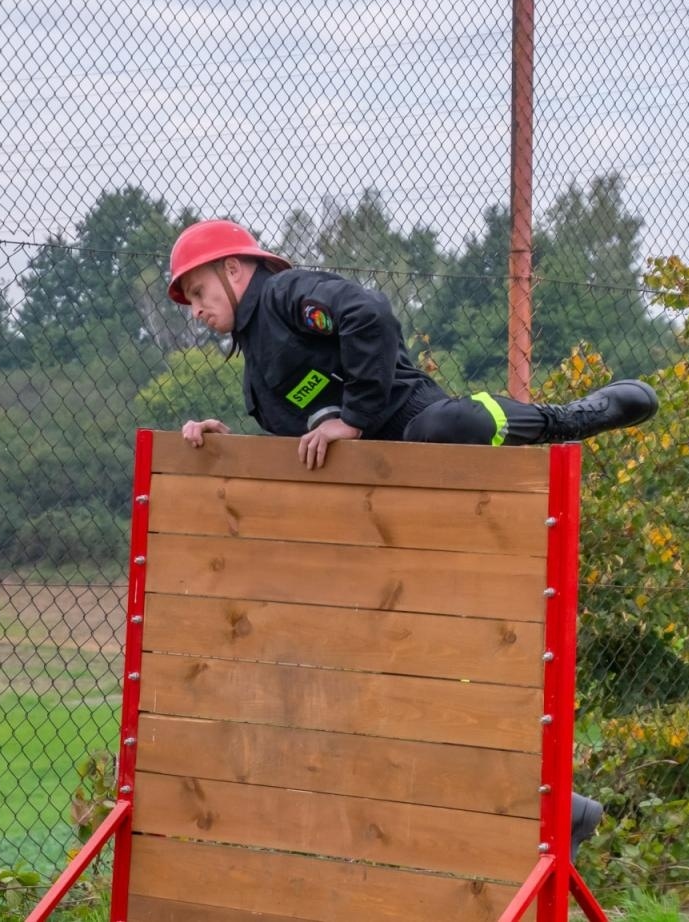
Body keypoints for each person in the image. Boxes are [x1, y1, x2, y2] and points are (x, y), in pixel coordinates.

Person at [167, 218, 654, 859]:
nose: (197, 309)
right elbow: (308, 449)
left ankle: (569, 420)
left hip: (414, 435)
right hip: (375, 523)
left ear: (235, 270)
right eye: (189, 301)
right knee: (401, 678)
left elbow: (368, 314)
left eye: (198, 290)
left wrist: (357, 418)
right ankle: (552, 807)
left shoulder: (288, 297)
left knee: (444, 426)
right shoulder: (257, 363)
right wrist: (231, 448)